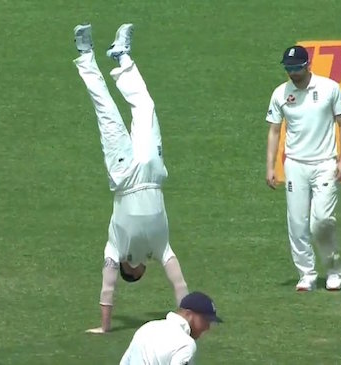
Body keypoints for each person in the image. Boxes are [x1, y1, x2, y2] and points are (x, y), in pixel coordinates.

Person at [72, 23, 190, 333]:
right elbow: (179, 282)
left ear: (131, 271)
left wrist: (105, 327)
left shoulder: (115, 248)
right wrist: (188, 320)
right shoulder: (160, 247)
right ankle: (122, 57)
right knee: (146, 107)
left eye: (138, 273)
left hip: (125, 174)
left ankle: (85, 55)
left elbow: (108, 288)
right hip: (152, 172)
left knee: (106, 111)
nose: (142, 269)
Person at [265, 45, 341, 291]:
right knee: (297, 223)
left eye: (297, 67)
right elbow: (274, 130)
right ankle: (307, 275)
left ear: (308, 64)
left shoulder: (329, 88)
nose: (292, 72)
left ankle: (333, 270)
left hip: (325, 163)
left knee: (322, 221)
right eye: (288, 68)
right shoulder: (281, 93)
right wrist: (270, 166)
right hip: (295, 164)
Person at [119, 291, 222, 365]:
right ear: (189, 314)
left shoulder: (147, 328)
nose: (207, 327)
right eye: (205, 320)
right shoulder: (186, 344)